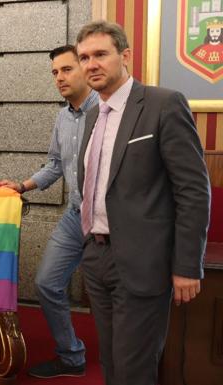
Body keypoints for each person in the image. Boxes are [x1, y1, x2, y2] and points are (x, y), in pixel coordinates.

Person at [75, 21, 210, 385]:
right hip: (97, 256)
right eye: (85, 57)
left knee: (134, 368)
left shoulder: (163, 104)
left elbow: (193, 190)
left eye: (101, 54)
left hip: (144, 260)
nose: (91, 64)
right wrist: (88, 244)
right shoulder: (91, 115)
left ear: (125, 56)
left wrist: (186, 264)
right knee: (111, 362)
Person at [0, 45, 98, 379]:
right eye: (55, 72)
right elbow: (56, 165)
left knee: (115, 296)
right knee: (46, 284)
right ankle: (72, 356)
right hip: (75, 215)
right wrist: (23, 186)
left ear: (85, 68)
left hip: (109, 220)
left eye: (67, 69)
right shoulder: (62, 116)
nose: (60, 78)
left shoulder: (109, 111)